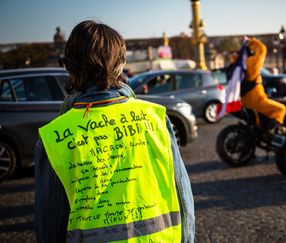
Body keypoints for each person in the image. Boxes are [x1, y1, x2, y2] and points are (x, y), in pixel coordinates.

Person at [34, 20, 194, 242]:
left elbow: (50, 227)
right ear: (120, 64)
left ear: (68, 66)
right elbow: (183, 199)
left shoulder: (53, 138)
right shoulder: (155, 117)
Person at [240, 37, 286, 145]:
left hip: (245, 100)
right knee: (281, 109)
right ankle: (269, 134)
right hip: (256, 99)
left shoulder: (242, 64)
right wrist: (252, 41)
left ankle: (261, 132)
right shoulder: (251, 63)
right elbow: (262, 49)